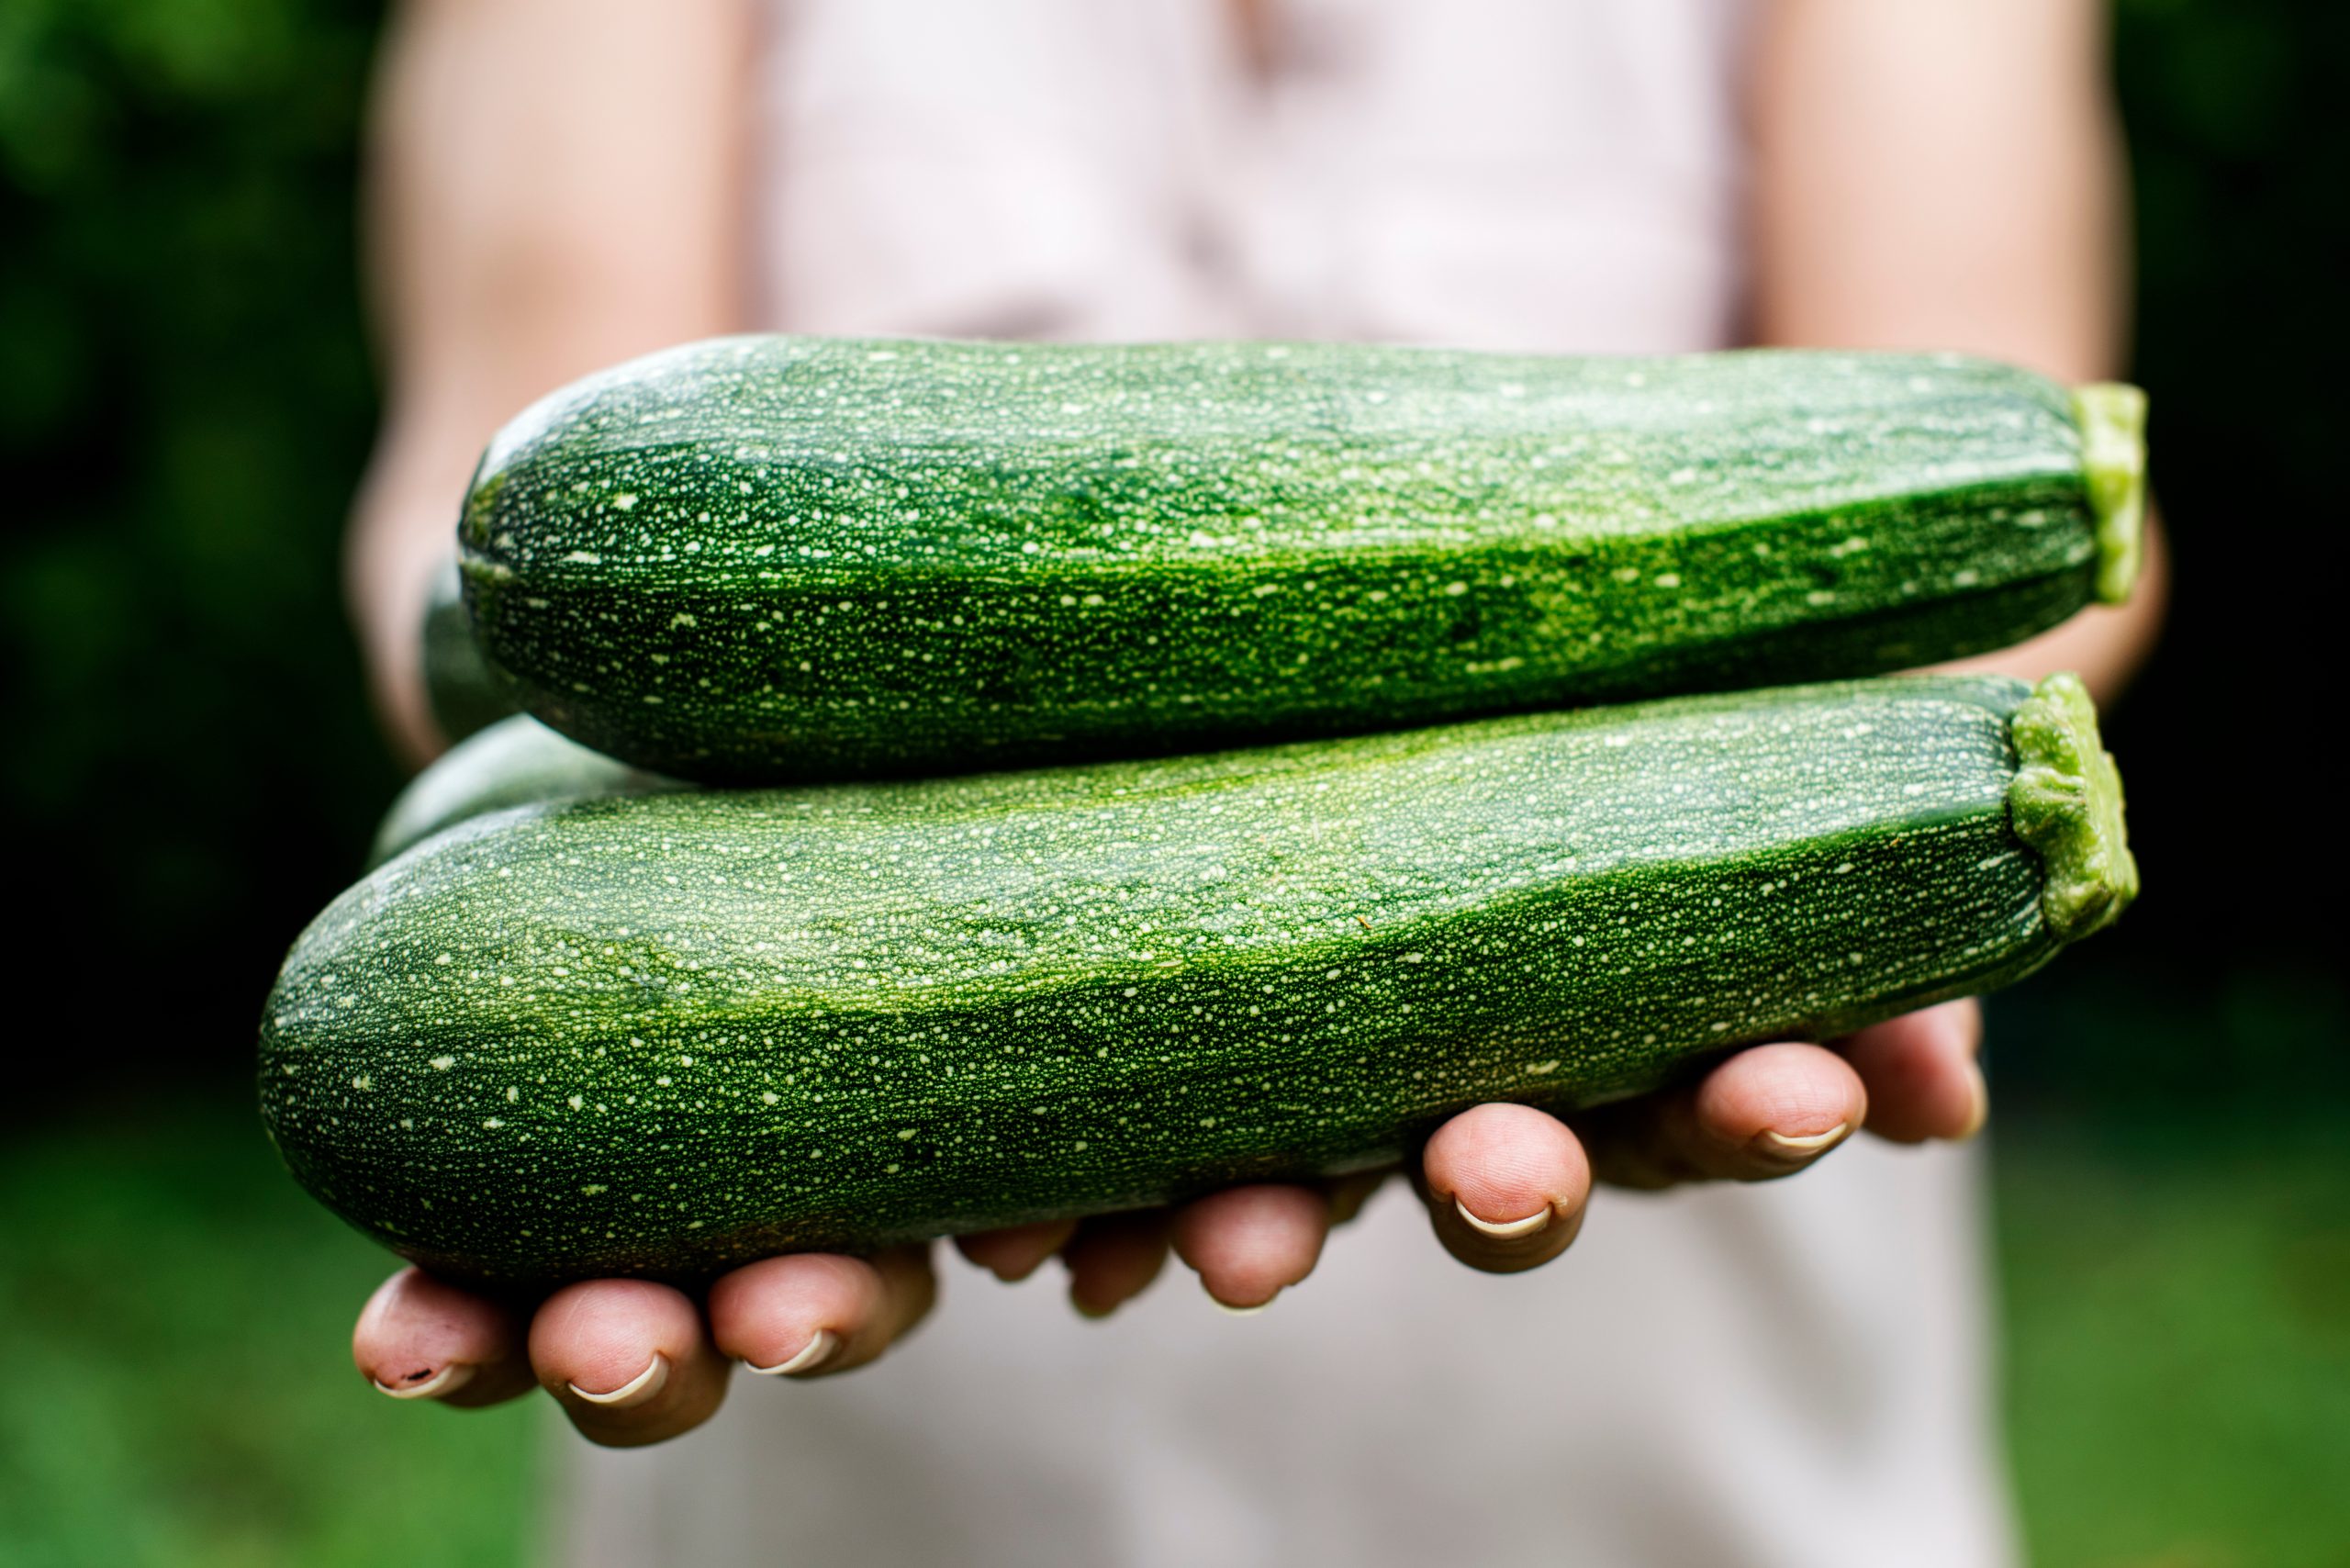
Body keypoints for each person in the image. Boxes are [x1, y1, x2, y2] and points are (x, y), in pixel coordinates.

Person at [345, 2, 2165, 1562]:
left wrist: (1942, 788)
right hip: (897, 1325)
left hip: (1668, 1304)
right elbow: (488, 533)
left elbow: (1993, 482)